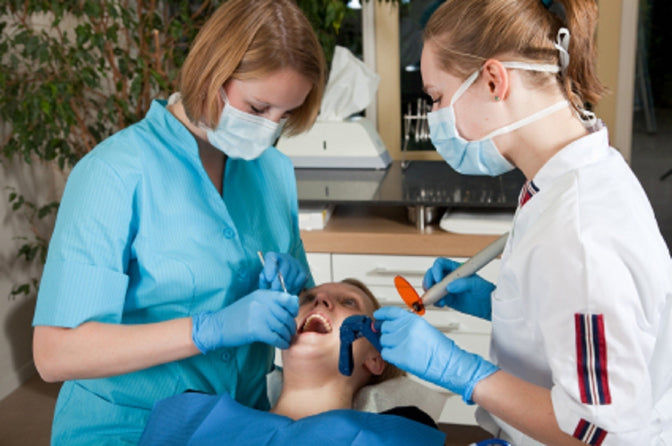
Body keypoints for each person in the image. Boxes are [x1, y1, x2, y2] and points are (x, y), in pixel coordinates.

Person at [373, 0, 672, 445]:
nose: (434, 116)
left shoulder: (581, 233)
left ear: (494, 80)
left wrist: (463, 373)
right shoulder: (565, 179)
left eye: (436, 97)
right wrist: (504, 307)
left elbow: (601, 436)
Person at [31, 0, 326, 443]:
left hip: (243, 422)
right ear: (212, 72)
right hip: (128, 427)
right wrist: (207, 330)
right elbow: (55, 354)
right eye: (259, 107)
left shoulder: (273, 171)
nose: (269, 129)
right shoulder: (114, 172)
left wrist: (297, 294)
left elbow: (299, 306)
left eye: (285, 116)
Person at [138, 279, 446, 445]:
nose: (320, 301)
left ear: (375, 359)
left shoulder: (398, 432)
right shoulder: (192, 411)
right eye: (307, 298)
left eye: (348, 302)